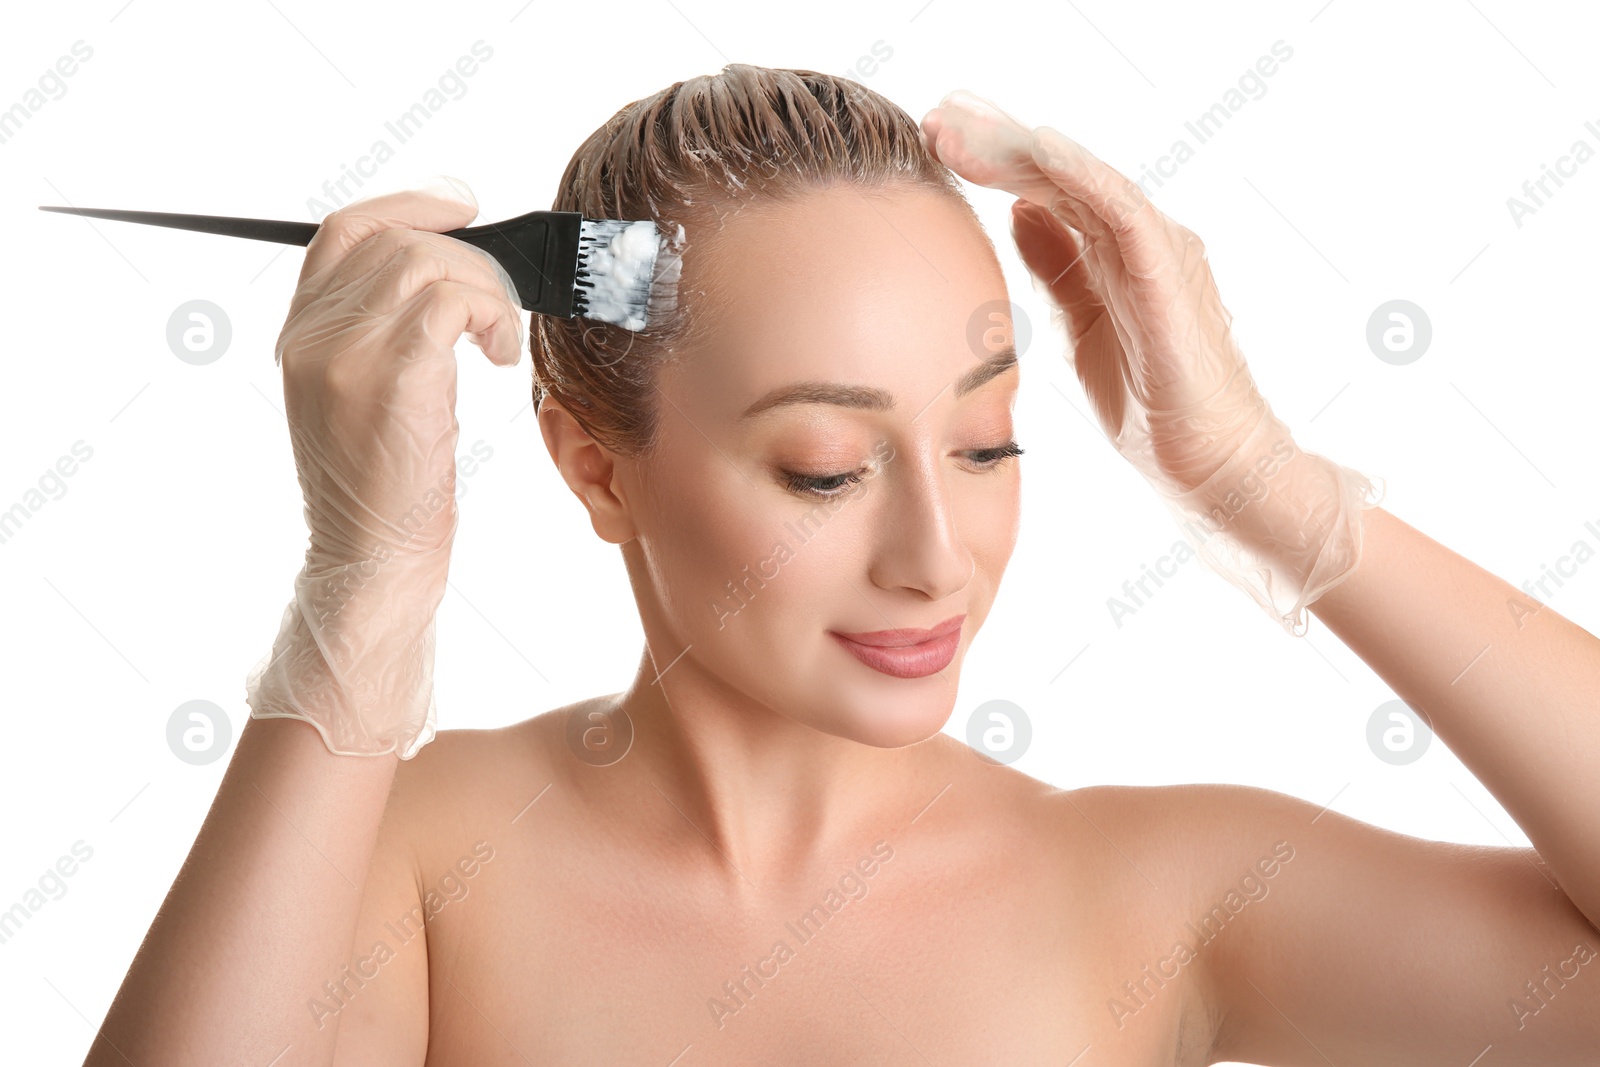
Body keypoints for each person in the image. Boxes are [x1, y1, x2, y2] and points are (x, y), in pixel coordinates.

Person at [82, 65, 1600, 1066]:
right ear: (591, 464)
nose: (936, 560)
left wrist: (1268, 487)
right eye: (826, 467)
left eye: (990, 445)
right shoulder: (415, 864)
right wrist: (363, 593)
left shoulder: (1160, 895)